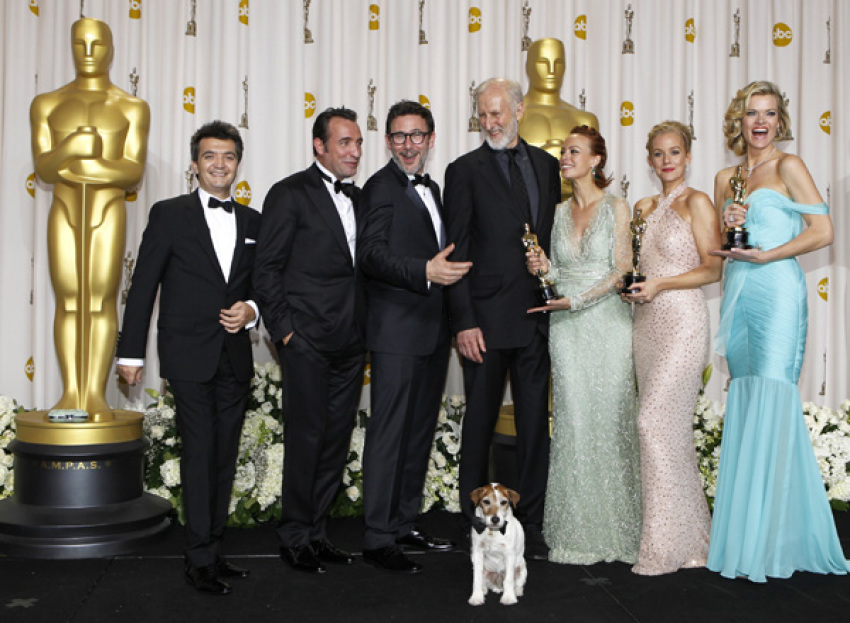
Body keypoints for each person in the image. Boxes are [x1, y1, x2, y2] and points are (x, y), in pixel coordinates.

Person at [708, 80, 848, 582]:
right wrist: (731, 225)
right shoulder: (727, 177)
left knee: (772, 394)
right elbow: (726, 242)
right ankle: (749, 534)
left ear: (779, 121)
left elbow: (824, 230)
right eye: (751, 113)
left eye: (769, 113)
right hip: (739, 292)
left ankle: (773, 540)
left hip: (778, 291)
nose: (760, 122)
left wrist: (766, 253)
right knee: (747, 397)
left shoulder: (789, 167)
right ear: (738, 121)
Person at [117, 121, 259, 594]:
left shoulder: (253, 220)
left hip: (235, 358)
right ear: (195, 164)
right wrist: (129, 353)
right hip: (188, 356)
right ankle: (198, 557)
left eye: (228, 156)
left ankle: (214, 551)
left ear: (238, 164)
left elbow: (262, 286)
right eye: (210, 156)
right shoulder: (169, 214)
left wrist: (252, 309)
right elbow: (143, 287)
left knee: (223, 458)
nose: (220, 164)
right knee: (200, 455)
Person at [443, 78, 561, 560]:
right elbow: (456, 250)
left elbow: (553, 240)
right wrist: (463, 321)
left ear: (519, 109)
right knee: (480, 425)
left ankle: (530, 522)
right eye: (483, 115)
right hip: (485, 324)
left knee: (536, 425)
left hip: (537, 317)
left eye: (497, 113)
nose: (490, 122)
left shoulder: (549, 166)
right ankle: (473, 523)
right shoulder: (463, 170)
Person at [357, 100, 471, 573]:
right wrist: (424, 270)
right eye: (400, 136)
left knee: (418, 434)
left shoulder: (434, 187)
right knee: (387, 435)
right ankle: (378, 537)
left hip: (430, 333)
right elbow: (371, 255)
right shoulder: (379, 187)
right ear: (387, 141)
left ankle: (403, 523)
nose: (408, 145)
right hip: (394, 332)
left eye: (417, 136)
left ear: (430, 139)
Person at [253, 107, 365, 575]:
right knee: (306, 439)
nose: (355, 151)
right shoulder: (288, 193)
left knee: (336, 441)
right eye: (345, 142)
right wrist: (286, 333)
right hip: (306, 343)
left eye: (358, 143)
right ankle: (295, 535)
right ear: (319, 145)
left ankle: (317, 533)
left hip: (352, 342)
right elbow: (266, 269)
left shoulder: (362, 198)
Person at [526, 125, 641, 564]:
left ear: (596, 160)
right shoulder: (555, 213)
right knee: (574, 422)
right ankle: (576, 530)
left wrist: (575, 300)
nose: (564, 157)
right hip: (567, 331)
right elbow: (556, 277)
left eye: (574, 151)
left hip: (608, 324)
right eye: (562, 151)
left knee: (610, 421)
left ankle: (620, 529)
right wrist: (544, 268)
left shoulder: (617, 207)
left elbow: (622, 271)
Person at [31, 18, 149, 421]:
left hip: (106, 211)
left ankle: (94, 394)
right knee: (68, 300)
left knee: (100, 300)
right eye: (80, 43)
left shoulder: (131, 107)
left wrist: (87, 165)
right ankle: (70, 392)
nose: (88, 51)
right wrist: (71, 149)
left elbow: (131, 171)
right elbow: (45, 168)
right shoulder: (47, 104)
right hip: (64, 209)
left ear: (110, 48)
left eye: (97, 44)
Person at [621, 121, 721, 575]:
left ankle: (667, 545)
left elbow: (713, 270)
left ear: (687, 156)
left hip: (682, 320)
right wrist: (635, 287)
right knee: (666, 434)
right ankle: (690, 538)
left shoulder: (698, 201)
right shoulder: (641, 208)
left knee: (653, 422)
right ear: (649, 158)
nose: (666, 161)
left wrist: (662, 283)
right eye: (658, 153)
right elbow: (636, 267)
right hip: (645, 325)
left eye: (674, 152)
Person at [519, 37, 598, 199]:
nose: (551, 70)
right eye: (543, 62)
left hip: (574, 216)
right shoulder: (513, 116)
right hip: (525, 214)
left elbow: (593, 178)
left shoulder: (584, 119)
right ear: (528, 67)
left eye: (558, 63)